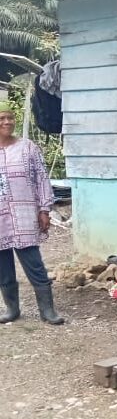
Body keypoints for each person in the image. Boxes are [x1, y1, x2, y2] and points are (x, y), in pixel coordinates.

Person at [0, 101, 64, 325]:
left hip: (25, 214)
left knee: (33, 262)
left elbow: (41, 179)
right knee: (2, 265)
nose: (7, 122)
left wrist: (44, 209)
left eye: (10, 117)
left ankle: (48, 310)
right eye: (2, 118)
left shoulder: (27, 147)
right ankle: (11, 309)